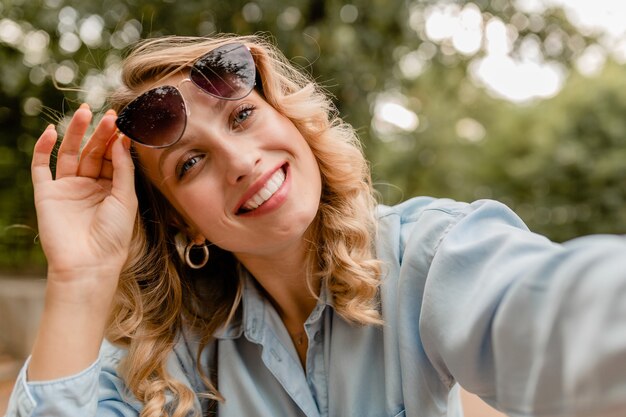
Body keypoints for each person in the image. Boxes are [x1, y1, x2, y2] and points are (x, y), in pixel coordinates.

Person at [5, 33, 626, 417]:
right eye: (190, 162)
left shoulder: (429, 255)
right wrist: (80, 278)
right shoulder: (173, 357)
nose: (241, 161)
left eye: (243, 115)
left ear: (293, 122)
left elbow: (569, 321)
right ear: (181, 223)